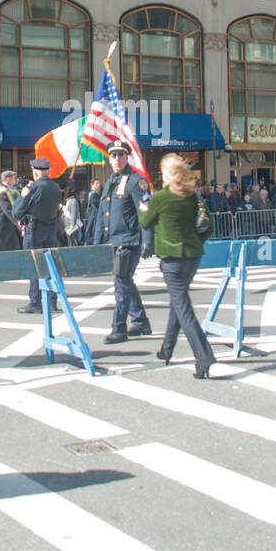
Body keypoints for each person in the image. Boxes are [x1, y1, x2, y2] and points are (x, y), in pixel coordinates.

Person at [139, 153, 215, 379]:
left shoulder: (161, 197)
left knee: (182, 307)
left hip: (172, 259)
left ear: (167, 174)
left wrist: (144, 208)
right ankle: (167, 349)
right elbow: (206, 224)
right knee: (177, 302)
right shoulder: (192, 196)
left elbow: (145, 222)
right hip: (192, 255)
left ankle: (203, 356)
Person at [92, 142, 153, 341]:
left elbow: (145, 212)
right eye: (113, 156)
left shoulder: (136, 181)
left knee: (121, 284)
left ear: (127, 157)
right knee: (125, 281)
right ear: (109, 159)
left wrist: (147, 240)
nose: (117, 159)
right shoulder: (110, 181)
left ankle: (119, 328)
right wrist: (97, 242)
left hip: (129, 241)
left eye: (120, 155)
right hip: (114, 241)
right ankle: (141, 322)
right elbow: (103, 214)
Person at [14, 158, 64, 315]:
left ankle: (35, 301)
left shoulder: (33, 187)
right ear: (47, 171)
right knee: (51, 266)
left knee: (34, 266)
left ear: (34, 171)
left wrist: (23, 195)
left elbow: (16, 212)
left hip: (34, 230)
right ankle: (52, 301)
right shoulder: (56, 187)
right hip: (51, 229)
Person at [0, 169, 24, 252]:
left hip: (7, 226)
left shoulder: (5, 190)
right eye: (14, 178)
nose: (16, 180)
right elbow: (7, 209)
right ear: (8, 179)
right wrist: (17, 222)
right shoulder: (2, 192)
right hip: (1, 226)